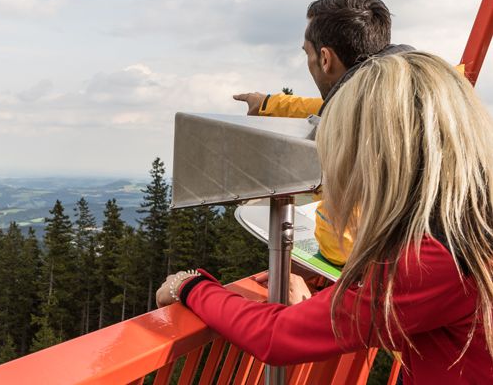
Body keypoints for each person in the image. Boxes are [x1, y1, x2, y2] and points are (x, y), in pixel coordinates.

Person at [158, 52, 493, 384]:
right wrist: (321, 302)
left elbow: (275, 335)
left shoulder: (432, 258)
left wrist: (189, 286)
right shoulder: (469, 221)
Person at [235, 0, 414, 266]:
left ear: (325, 58)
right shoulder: (403, 92)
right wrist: (268, 104)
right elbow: (329, 106)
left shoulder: (360, 127)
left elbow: (341, 247)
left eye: (307, 53)